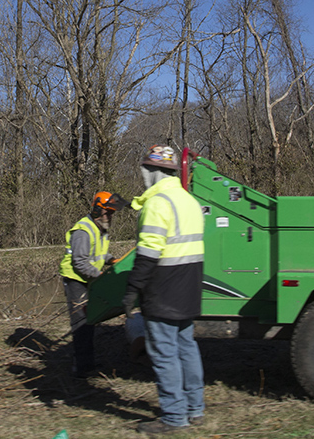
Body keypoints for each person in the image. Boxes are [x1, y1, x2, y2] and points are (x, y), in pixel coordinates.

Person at [122, 145, 205, 434]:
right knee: (187, 348)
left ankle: (173, 416)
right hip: (190, 288)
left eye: (145, 170)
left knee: (164, 353)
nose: (143, 175)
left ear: (155, 172)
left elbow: (147, 254)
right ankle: (195, 408)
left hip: (164, 291)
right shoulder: (189, 201)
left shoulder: (157, 204)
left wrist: (132, 290)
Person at [59, 190, 127, 377]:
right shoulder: (83, 231)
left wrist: (111, 260)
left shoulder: (99, 228)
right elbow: (80, 262)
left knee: (90, 321)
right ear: (98, 210)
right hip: (76, 280)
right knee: (82, 324)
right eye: (108, 212)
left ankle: (86, 362)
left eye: (112, 212)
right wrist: (101, 277)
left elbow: (97, 252)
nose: (111, 216)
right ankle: (82, 368)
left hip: (87, 279)